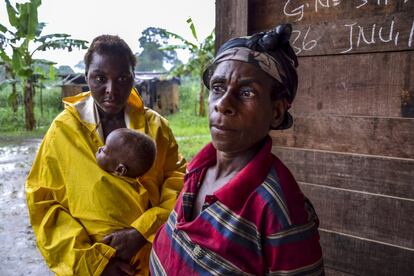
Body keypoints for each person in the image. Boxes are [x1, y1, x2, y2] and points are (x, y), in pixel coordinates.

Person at [150, 24, 324, 275]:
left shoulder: (279, 208)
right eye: (218, 88)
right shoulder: (199, 168)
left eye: (246, 92)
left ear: (276, 112)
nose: (223, 105)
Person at [26, 35, 186, 276]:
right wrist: (96, 264)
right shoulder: (64, 130)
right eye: (100, 78)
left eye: (122, 78)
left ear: (134, 77)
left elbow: (180, 185)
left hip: (151, 260)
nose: (111, 90)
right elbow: (44, 204)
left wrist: (142, 232)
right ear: (87, 76)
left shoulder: (156, 128)